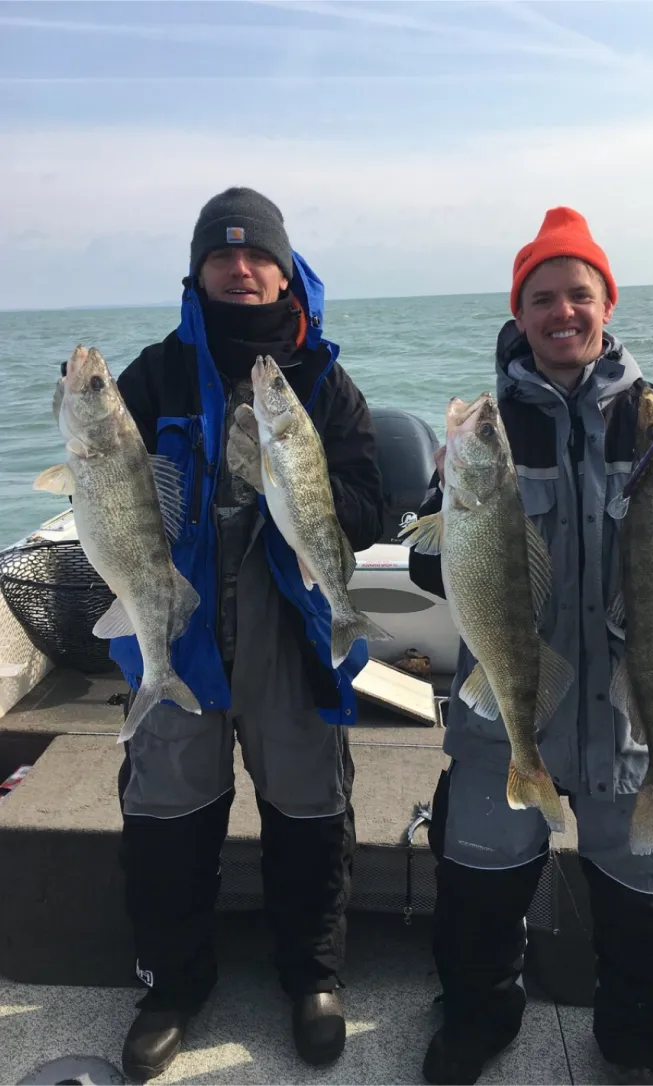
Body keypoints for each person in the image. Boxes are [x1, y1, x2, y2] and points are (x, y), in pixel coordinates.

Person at [408, 207, 653, 1086]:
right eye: (542, 297)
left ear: (606, 304)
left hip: (634, 723)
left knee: (645, 913)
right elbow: (432, 582)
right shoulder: (489, 431)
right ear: (519, 312)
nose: (562, 312)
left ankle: (638, 1049)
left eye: (579, 294)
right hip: (508, 719)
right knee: (476, 895)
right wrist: (450, 512)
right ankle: (479, 1022)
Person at [111, 187, 384, 1082]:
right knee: (167, 806)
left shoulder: (319, 381)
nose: (239, 267)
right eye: (221, 255)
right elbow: (105, 497)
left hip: (288, 619)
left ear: (281, 270)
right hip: (177, 617)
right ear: (197, 271)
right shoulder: (149, 376)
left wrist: (300, 500)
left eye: (255, 254)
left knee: (308, 802)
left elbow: (372, 501)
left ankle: (312, 977)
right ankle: (172, 987)